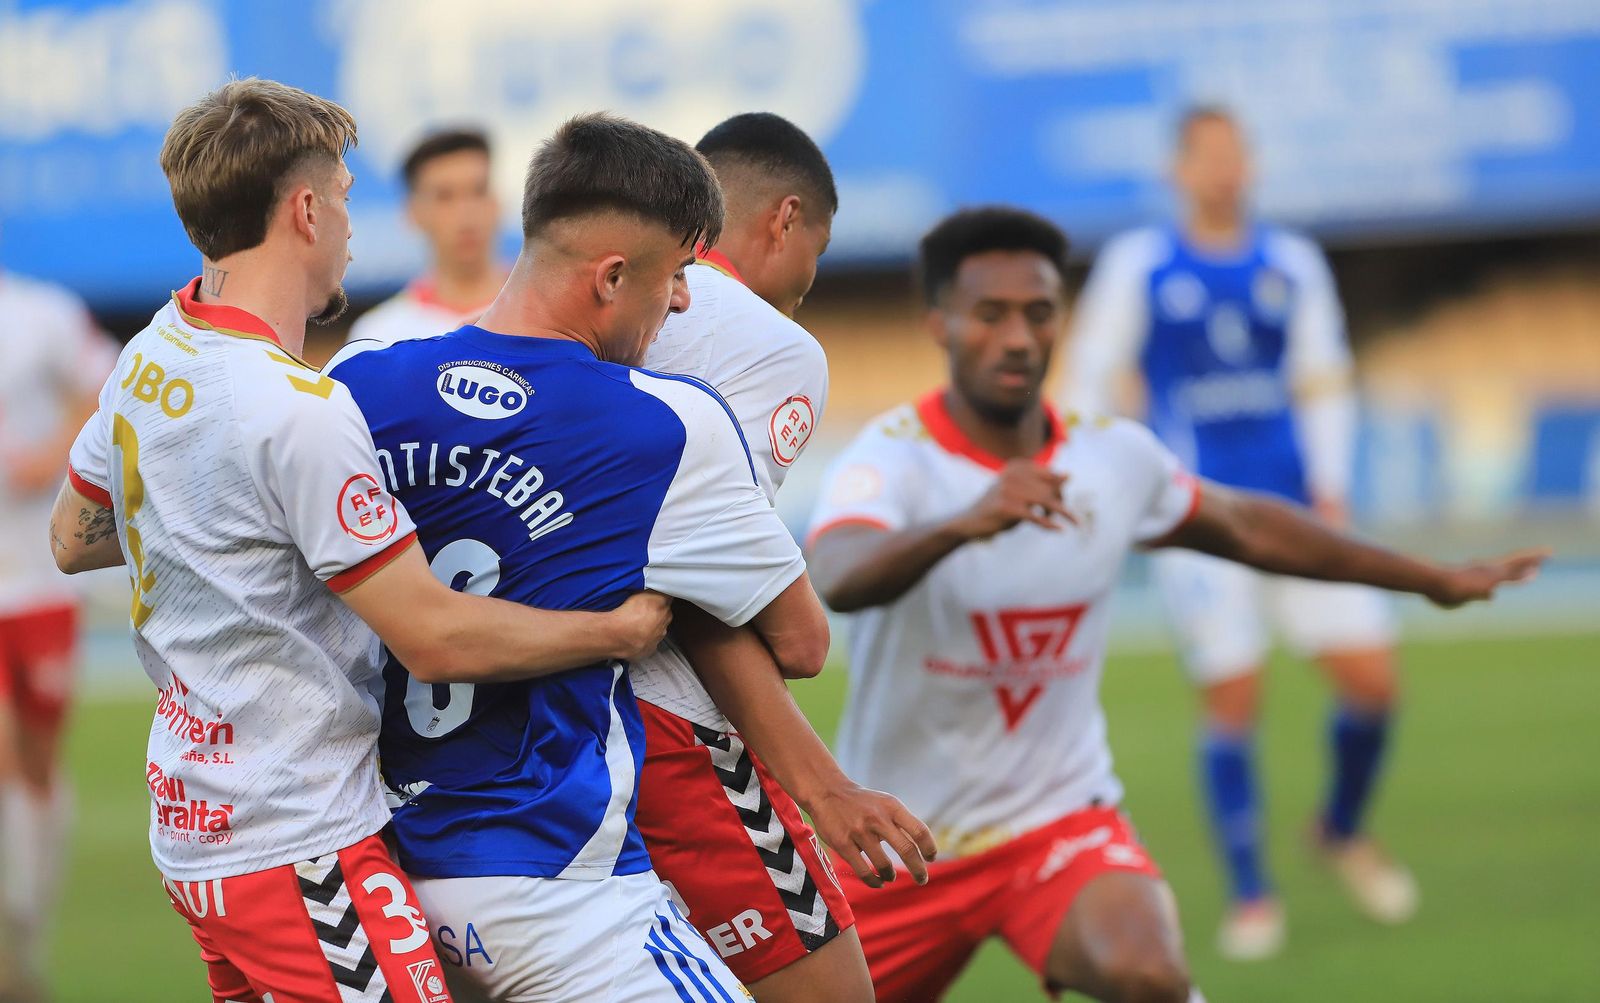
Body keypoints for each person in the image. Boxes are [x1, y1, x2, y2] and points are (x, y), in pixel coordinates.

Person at [805, 206, 1546, 1003]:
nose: (1018, 337)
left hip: (1057, 825)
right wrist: (964, 523)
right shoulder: (893, 458)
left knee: (1148, 969)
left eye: (1039, 313)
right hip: (897, 845)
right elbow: (839, 571)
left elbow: (1247, 523)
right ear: (939, 324)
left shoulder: (1111, 454)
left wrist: (1427, 577)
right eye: (990, 315)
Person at [47, 80, 670, 1003]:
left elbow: (75, 535)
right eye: (341, 195)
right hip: (298, 840)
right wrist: (614, 632)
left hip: (196, 833)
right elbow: (436, 637)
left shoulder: (155, 350)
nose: (348, 221)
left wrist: (225, 534)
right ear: (303, 209)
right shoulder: (296, 409)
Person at [327, 112, 841, 1003]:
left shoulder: (360, 383)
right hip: (560, 881)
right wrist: (614, 626)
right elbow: (799, 642)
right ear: (612, 277)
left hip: (385, 872)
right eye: (678, 274)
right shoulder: (665, 424)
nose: (684, 300)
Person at [1062, 105, 1413, 958]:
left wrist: (1331, 481)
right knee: (1233, 694)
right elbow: (1088, 378)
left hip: (1295, 510)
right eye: (1206, 154)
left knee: (1373, 683)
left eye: (1235, 153)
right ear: (1177, 168)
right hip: (1203, 519)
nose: (1224, 168)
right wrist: (1123, 479)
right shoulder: (1139, 264)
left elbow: (1323, 374)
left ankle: (1337, 828)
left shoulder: (1291, 261)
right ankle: (1253, 891)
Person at [632, 112, 931, 1003]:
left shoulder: (559, 316)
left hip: (535, 740)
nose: (810, 278)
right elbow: (716, 592)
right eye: (819, 248)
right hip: (676, 732)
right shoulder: (771, 346)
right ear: (784, 218)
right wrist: (823, 784)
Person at [0, 257, 117, 999]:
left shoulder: (40, 313)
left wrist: (55, 455)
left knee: (39, 764)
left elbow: (104, 384)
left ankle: (28, 925)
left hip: (38, 576)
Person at [347, 128, 507, 347]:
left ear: (498, 201)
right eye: (444, 196)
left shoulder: (547, 316)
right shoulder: (380, 336)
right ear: (413, 213)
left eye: (479, 190)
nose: (466, 213)